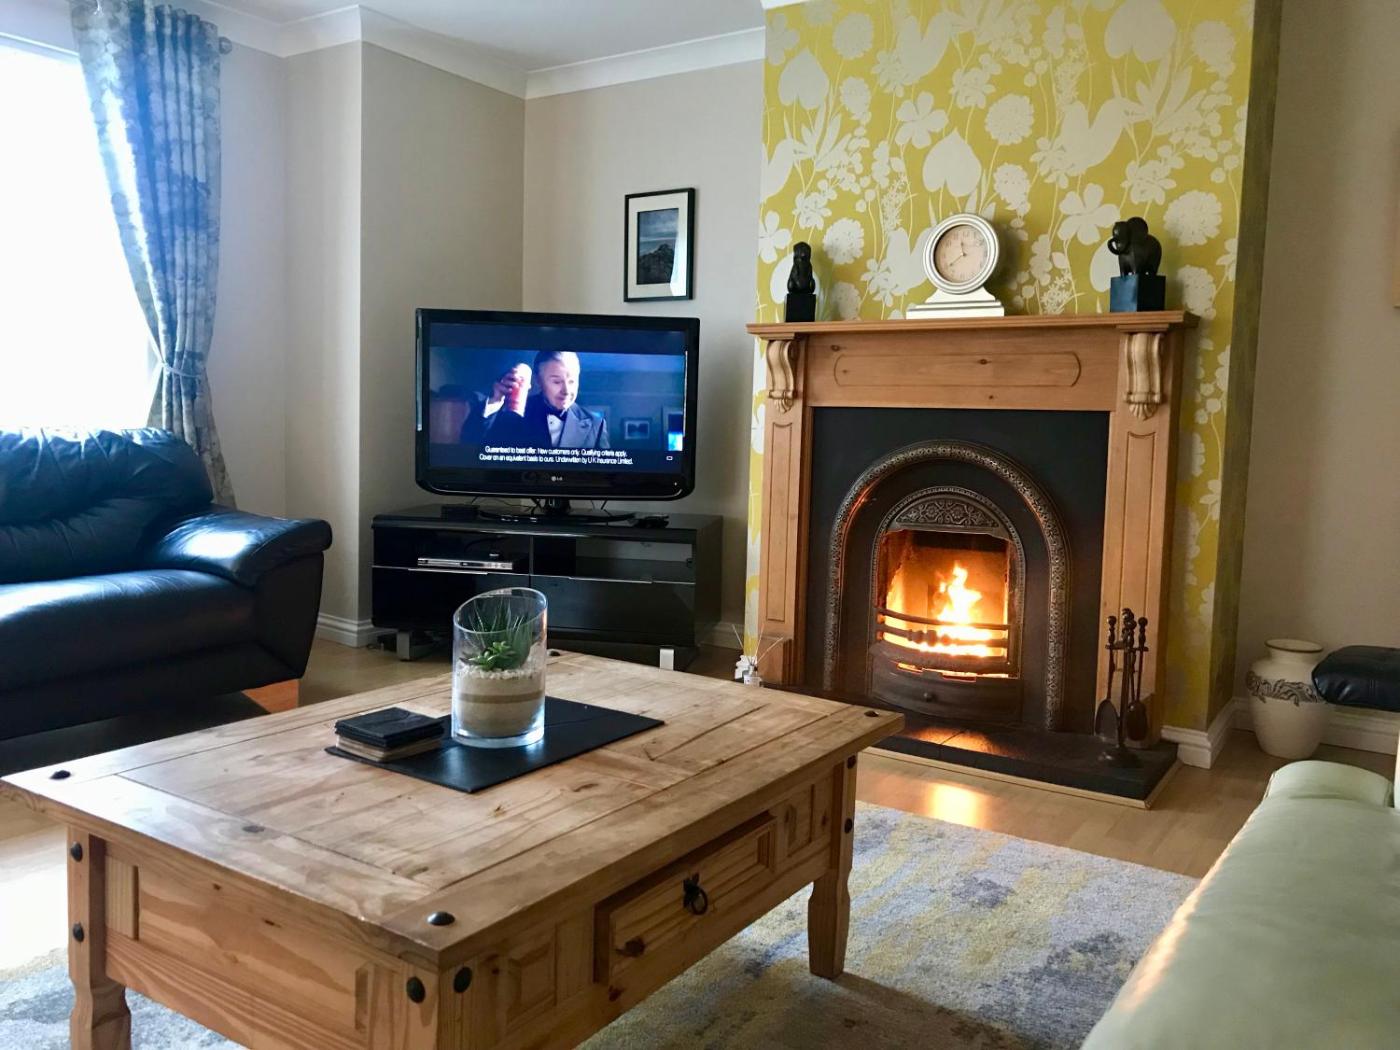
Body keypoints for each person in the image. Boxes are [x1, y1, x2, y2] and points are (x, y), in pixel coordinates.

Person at [462, 350, 610, 450]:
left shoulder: (596, 425)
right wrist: (495, 401)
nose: (566, 391)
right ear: (538, 381)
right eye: (557, 382)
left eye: (572, 381)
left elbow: (604, 475)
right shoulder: (513, 413)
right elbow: (471, 445)